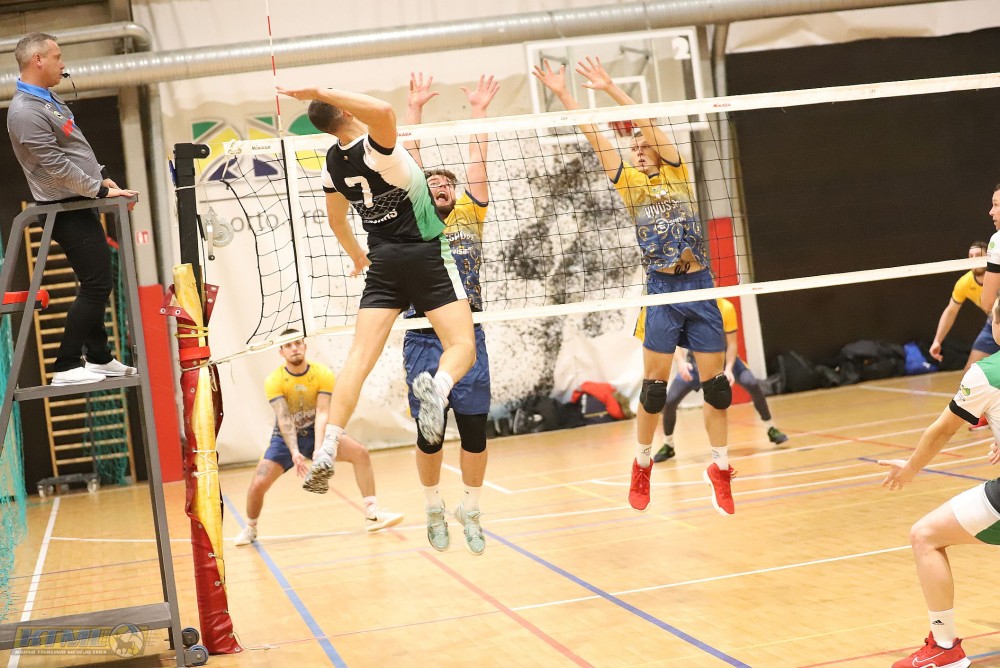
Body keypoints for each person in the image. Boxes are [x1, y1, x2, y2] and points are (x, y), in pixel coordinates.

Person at [533, 57, 734, 515]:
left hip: (699, 286)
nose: (639, 149)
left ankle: (720, 468)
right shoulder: (629, 184)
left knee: (718, 388)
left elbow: (646, 120)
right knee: (654, 390)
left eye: (645, 145)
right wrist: (564, 94)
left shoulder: (677, 172)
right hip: (661, 290)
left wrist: (610, 88)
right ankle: (642, 463)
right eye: (635, 147)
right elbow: (595, 135)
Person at [275, 84, 476, 496]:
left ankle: (328, 448)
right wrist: (319, 90)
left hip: (382, 261)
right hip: (426, 254)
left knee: (358, 359)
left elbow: (337, 222)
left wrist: (358, 258)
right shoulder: (377, 148)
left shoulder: (331, 165)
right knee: (462, 346)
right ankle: (438, 391)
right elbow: (383, 109)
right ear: (347, 112)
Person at [400, 73, 498, 555]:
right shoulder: (415, 217)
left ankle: (471, 510)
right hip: (423, 335)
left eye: (446, 184)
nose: (439, 186)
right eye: (432, 183)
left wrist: (478, 111)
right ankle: (433, 507)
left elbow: (478, 162)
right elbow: (409, 162)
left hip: (469, 336)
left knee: (475, 434)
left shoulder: (469, 215)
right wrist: (413, 110)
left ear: (455, 195)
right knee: (431, 436)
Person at [877, 295, 1000, 668]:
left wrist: (910, 468)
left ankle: (945, 647)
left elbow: (944, 430)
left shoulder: (987, 372)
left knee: (925, 536)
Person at [7, 33, 137, 386]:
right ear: (38, 60)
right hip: (64, 208)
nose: (63, 64)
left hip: (80, 200)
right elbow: (56, 166)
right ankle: (65, 365)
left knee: (93, 281)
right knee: (97, 284)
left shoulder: (47, 98)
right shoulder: (25, 112)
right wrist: (98, 189)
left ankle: (99, 357)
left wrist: (102, 177)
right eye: (57, 57)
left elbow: (75, 147)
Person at [234, 331, 403, 545]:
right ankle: (250, 527)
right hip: (285, 438)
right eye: (288, 345)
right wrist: (294, 452)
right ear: (281, 352)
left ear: (305, 347)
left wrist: (319, 449)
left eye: (298, 343)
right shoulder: (274, 380)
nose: (294, 348)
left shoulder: (322, 373)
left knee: (360, 453)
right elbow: (284, 419)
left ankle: (372, 514)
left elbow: (323, 412)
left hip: (317, 432)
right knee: (258, 483)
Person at [635, 296, 788, 464]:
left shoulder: (726, 307)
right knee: (669, 400)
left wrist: (729, 369)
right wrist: (681, 363)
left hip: (725, 359)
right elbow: (673, 339)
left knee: (751, 383)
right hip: (696, 362)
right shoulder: (684, 304)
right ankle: (668, 444)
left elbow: (732, 344)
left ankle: (771, 428)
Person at [930, 241, 992, 372]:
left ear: (989, 257)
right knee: (970, 372)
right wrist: (937, 341)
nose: (974, 259)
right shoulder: (964, 283)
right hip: (993, 324)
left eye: (978, 255)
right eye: (971, 256)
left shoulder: (996, 276)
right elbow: (951, 311)